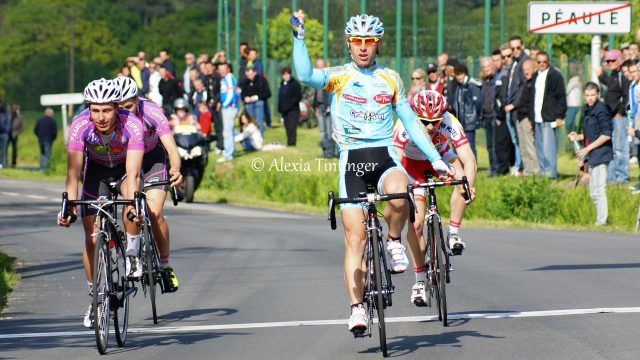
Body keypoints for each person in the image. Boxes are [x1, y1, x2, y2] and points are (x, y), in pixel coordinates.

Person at [291, 10, 453, 334]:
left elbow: (409, 121)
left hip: (384, 154)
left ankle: (394, 240)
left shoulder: (391, 78)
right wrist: (299, 38)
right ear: (349, 45)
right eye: (357, 41)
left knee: (399, 193)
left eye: (369, 42)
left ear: (378, 44)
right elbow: (306, 74)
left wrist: (436, 158)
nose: (363, 47)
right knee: (355, 239)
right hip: (352, 159)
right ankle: (355, 308)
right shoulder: (338, 76)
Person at [57, 78, 144, 328]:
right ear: (89, 109)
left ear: (117, 108)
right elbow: (73, 173)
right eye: (95, 110)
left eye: (107, 110)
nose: (101, 117)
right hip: (95, 171)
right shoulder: (80, 125)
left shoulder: (132, 125)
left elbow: (135, 172)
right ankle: (96, 296)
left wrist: (135, 203)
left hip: (124, 169)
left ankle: (131, 253)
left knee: (131, 197)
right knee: (91, 237)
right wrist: (69, 207)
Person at [393, 90, 476, 306]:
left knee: (462, 179)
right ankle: (420, 281)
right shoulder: (403, 124)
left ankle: (454, 233)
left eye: (435, 122)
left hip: (441, 157)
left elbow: (469, 159)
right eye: (424, 122)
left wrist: (469, 185)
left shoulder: (450, 121)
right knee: (417, 224)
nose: (430, 127)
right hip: (412, 165)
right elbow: (394, 161)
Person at [115, 76, 182, 290]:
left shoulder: (151, 111)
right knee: (130, 204)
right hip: (125, 160)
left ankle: (164, 264)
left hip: (152, 159)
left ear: (137, 99)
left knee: (154, 212)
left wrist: (176, 168)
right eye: (119, 108)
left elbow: (171, 148)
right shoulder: (111, 117)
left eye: (128, 106)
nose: (124, 112)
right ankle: (132, 255)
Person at [569, 82, 612, 226]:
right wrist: (579, 137)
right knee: (592, 192)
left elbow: (606, 135)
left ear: (598, 95)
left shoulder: (601, 110)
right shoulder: (586, 110)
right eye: (587, 95)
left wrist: (587, 149)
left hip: (601, 154)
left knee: (599, 189)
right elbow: (591, 134)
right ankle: (601, 219)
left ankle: (602, 221)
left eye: (593, 95)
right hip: (592, 155)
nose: (590, 98)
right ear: (584, 96)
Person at [532, 51, 566, 179]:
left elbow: (561, 97)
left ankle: (551, 175)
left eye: (544, 62)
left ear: (548, 62)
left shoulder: (555, 76)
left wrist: (559, 116)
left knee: (548, 149)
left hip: (549, 117)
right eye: (539, 62)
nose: (541, 64)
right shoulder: (536, 76)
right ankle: (543, 173)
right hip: (537, 118)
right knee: (540, 149)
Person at [598, 49, 630, 184]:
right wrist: (601, 76)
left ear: (619, 60)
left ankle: (621, 177)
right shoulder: (612, 75)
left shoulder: (623, 76)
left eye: (612, 61)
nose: (609, 63)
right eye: (607, 61)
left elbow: (626, 96)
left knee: (619, 147)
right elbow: (611, 87)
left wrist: (620, 112)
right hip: (609, 115)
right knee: (610, 147)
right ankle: (611, 177)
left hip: (618, 116)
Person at [511, 59, 540, 175]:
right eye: (524, 70)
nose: (526, 72)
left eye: (528, 69)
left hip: (527, 118)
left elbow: (532, 103)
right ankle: (527, 171)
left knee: (530, 147)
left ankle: (535, 171)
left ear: (534, 68)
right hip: (520, 117)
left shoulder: (535, 82)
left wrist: (531, 121)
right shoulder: (525, 82)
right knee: (523, 147)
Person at [450, 63, 482, 157]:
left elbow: (478, 103)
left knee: (470, 145)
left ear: (465, 73)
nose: (458, 77)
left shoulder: (471, 85)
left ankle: (473, 167)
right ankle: (461, 167)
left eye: (460, 74)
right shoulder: (459, 86)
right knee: (458, 145)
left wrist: (475, 116)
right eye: (457, 74)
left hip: (469, 121)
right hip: (460, 121)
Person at [314, 59, 336, 158]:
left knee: (330, 131)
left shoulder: (329, 77)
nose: (320, 68)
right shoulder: (316, 78)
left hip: (328, 106)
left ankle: (331, 152)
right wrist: (315, 108)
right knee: (322, 131)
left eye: (322, 65)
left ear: (325, 66)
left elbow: (330, 93)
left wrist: (329, 106)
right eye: (318, 66)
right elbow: (316, 94)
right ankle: (325, 152)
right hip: (319, 106)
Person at [239, 66, 271, 134]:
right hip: (249, 105)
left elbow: (267, 93)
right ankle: (252, 137)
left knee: (259, 121)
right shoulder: (245, 82)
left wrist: (256, 97)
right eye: (248, 75)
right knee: (250, 122)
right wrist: (245, 98)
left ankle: (260, 137)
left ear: (255, 72)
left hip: (259, 103)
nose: (249, 76)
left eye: (251, 74)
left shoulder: (261, 80)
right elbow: (242, 94)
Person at [217, 62, 238, 162]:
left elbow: (232, 94)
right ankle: (231, 151)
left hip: (229, 108)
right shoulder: (224, 78)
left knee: (227, 132)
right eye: (220, 69)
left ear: (228, 69)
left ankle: (228, 154)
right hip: (227, 107)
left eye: (223, 69)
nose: (221, 71)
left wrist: (224, 105)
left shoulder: (229, 78)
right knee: (230, 131)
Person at [277, 66, 302, 146]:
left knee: (292, 127)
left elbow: (298, 96)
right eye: (284, 74)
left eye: (287, 74)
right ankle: (289, 142)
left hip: (293, 109)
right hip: (284, 110)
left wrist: (290, 104)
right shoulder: (282, 84)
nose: (286, 76)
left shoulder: (295, 84)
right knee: (287, 126)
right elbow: (280, 97)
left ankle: (292, 143)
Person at [0, 103, 9, 168]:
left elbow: (8, 124)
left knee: (4, 150)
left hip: (4, 134)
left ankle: (4, 164)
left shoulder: (5, 115)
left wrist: (6, 130)